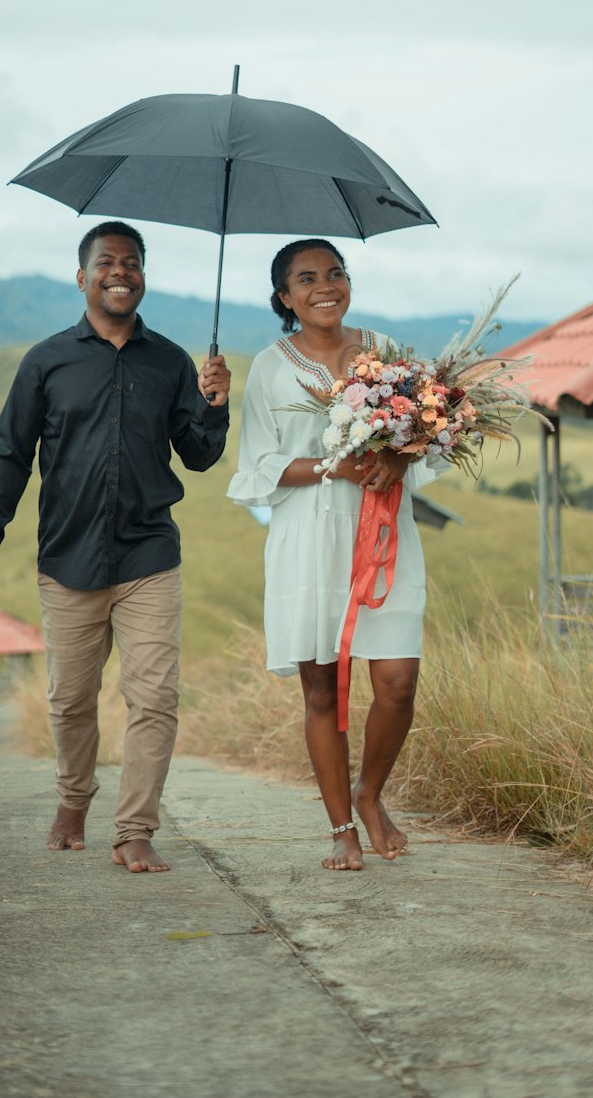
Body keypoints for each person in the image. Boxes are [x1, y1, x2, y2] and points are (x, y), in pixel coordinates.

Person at [0, 222, 230, 874]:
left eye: (132, 262)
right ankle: (73, 798)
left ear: (143, 276)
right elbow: (10, 456)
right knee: (72, 700)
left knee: (155, 698)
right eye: (106, 262)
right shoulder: (47, 361)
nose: (121, 271)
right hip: (68, 558)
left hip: (148, 557)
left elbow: (198, 456)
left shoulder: (169, 362)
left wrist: (215, 406)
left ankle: (134, 830)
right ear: (82, 278)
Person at [226, 239, 439, 870]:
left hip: (382, 533)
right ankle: (341, 825)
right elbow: (259, 466)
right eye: (308, 278)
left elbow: (431, 434)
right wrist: (334, 465)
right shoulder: (270, 366)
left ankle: (370, 794)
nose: (327, 285)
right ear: (285, 297)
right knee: (322, 689)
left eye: (337, 273)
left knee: (397, 682)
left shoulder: (388, 355)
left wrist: (398, 453)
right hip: (308, 537)